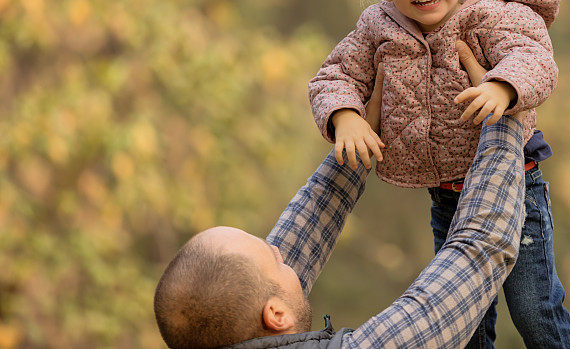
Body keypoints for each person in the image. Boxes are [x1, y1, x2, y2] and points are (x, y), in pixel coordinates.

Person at [308, 0, 570, 348]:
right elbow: (333, 75)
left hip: (514, 184)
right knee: (463, 323)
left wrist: (503, 86)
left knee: (533, 308)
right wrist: (346, 115)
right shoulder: (378, 28)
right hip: (447, 197)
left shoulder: (489, 11)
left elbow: (534, 58)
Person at [154, 43, 528, 348]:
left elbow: (304, 230)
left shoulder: (238, 327)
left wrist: (359, 140)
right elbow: (478, 249)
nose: (284, 253)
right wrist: (504, 115)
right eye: (275, 259)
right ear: (276, 315)